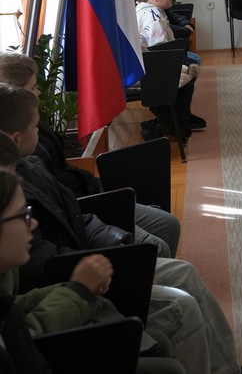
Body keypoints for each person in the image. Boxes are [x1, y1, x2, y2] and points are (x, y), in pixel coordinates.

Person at [0, 86, 242, 374]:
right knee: (181, 306)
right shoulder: (15, 200)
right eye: (36, 125)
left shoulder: (30, 166)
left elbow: (76, 214)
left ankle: (227, 368)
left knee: (182, 268)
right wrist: (109, 272)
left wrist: (118, 245)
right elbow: (43, 277)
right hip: (81, 279)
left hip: (87, 266)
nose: (30, 221)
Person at [0, 53, 180, 259]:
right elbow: (62, 218)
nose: (39, 92)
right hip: (88, 205)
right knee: (158, 247)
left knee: (169, 224)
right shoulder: (22, 165)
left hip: (88, 199)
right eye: (33, 88)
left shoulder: (33, 143)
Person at [135, 0, 204, 139]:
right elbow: (161, 51)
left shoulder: (143, 11)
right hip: (148, 72)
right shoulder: (152, 16)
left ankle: (172, 123)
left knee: (187, 72)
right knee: (187, 79)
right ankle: (168, 125)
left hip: (144, 66)